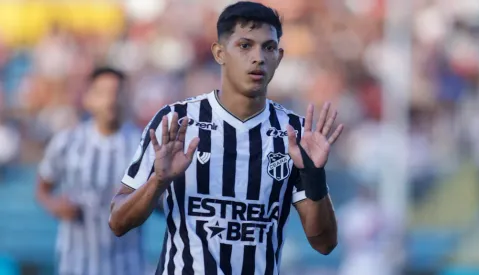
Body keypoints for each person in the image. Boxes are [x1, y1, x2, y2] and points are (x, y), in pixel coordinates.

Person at [109, 1, 343, 274]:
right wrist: (158, 181)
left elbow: (324, 243)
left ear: (278, 57)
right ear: (219, 53)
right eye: (245, 45)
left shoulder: (294, 134)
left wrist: (314, 176)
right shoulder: (176, 121)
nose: (258, 57)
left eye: (268, 47)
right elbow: (118, 222)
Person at [36, 67, 144, 275]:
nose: (111, 99)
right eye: (103, 92)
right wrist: (56, 205)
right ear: (89, 98)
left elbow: (159, 201)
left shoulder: (142, 144)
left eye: (117, 92)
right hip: (76, 264)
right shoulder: (67, 142)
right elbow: (42, 188)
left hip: (127, 266)